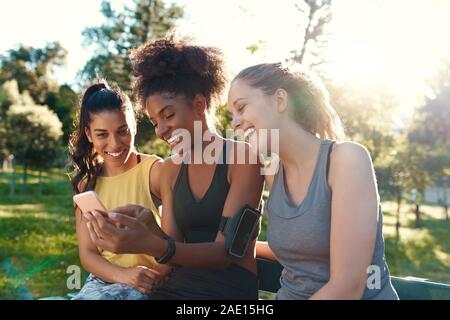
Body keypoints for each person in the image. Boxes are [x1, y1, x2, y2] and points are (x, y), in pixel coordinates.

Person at [83, 37, 264, 299]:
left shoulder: (243, 159)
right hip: (174, 288)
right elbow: (173, 248)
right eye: (155, 121)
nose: (161, 131)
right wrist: (147, 226)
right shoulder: (171, 169)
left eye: (168, 115)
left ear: (199, 105)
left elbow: (227, 253)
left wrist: (150, 243)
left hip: (226, 292)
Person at [227, 63, 399, 300]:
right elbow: (305, 248)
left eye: (241, 108)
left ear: (279, 100)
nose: (234, 122)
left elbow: (348, 286)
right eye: (232, 115)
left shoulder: (346, 160)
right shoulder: (272, 172)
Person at [68, 80, 169, 300]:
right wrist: (123, 275)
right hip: (105, 279)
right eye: (102, 134)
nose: (114, 144)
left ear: (133, 125)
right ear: (88, 133)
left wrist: (155, 277)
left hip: (148, 282)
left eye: (122, 131)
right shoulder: (87, 185)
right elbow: (87, 253)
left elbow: (177, 241)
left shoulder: (155, 171)